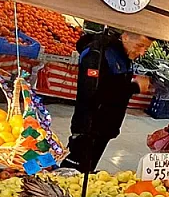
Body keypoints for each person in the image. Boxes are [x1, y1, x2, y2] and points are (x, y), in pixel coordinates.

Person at [62, 29, 154, 172]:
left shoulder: (122, 55)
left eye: (146, 49)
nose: (142, 52)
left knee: (88, 168)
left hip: (105, 128)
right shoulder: (97, 54)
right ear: (125, 37)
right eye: (139, 45)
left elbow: (114, 84)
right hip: (89, 127)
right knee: (73, 171)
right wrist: (134, 87)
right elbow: (92, 93)